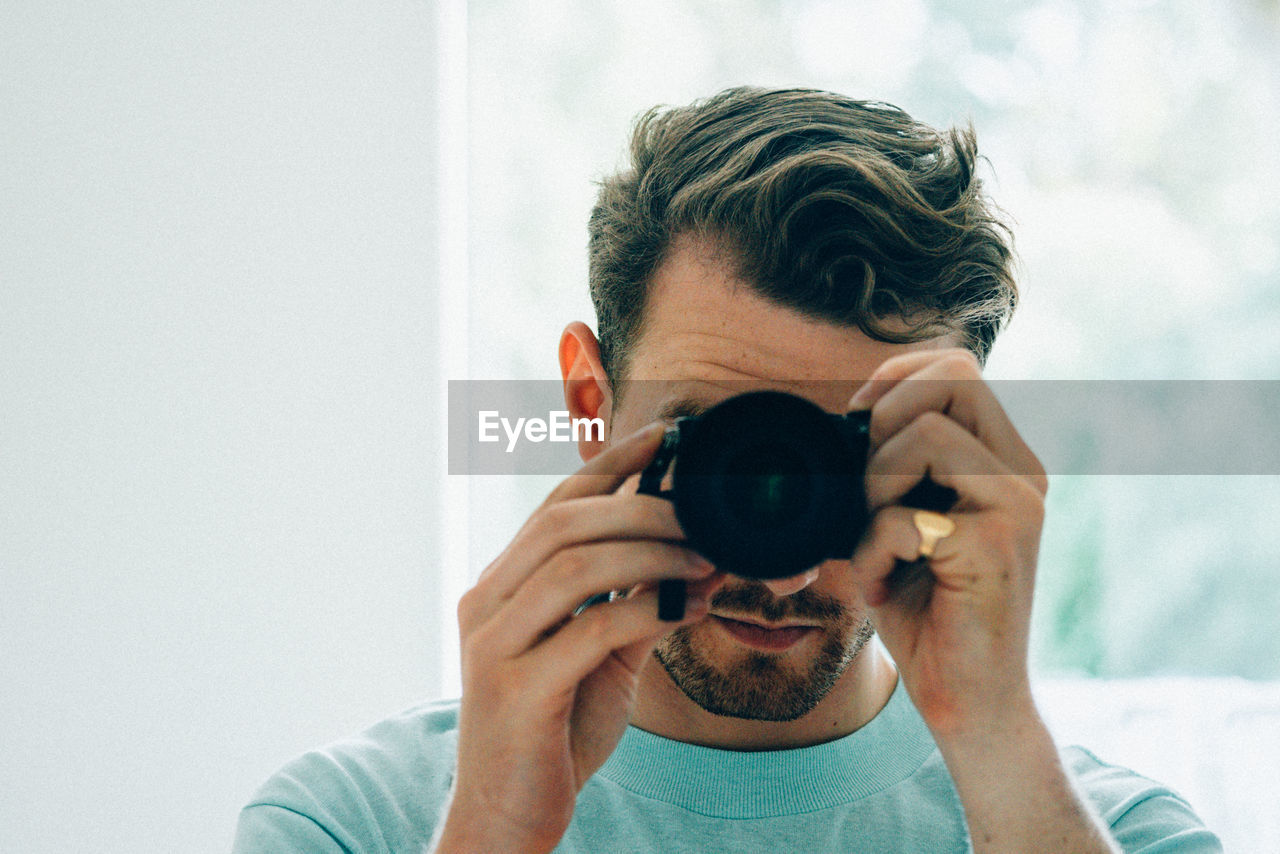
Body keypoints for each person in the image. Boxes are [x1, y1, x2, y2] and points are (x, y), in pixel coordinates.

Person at [233, 87, 1221, 853]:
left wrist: (994, 732)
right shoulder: (351, 823)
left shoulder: (1115, 829)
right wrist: (492, 822)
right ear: (591, 406)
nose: (784, 569)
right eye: (719, 446)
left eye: (849, 455)